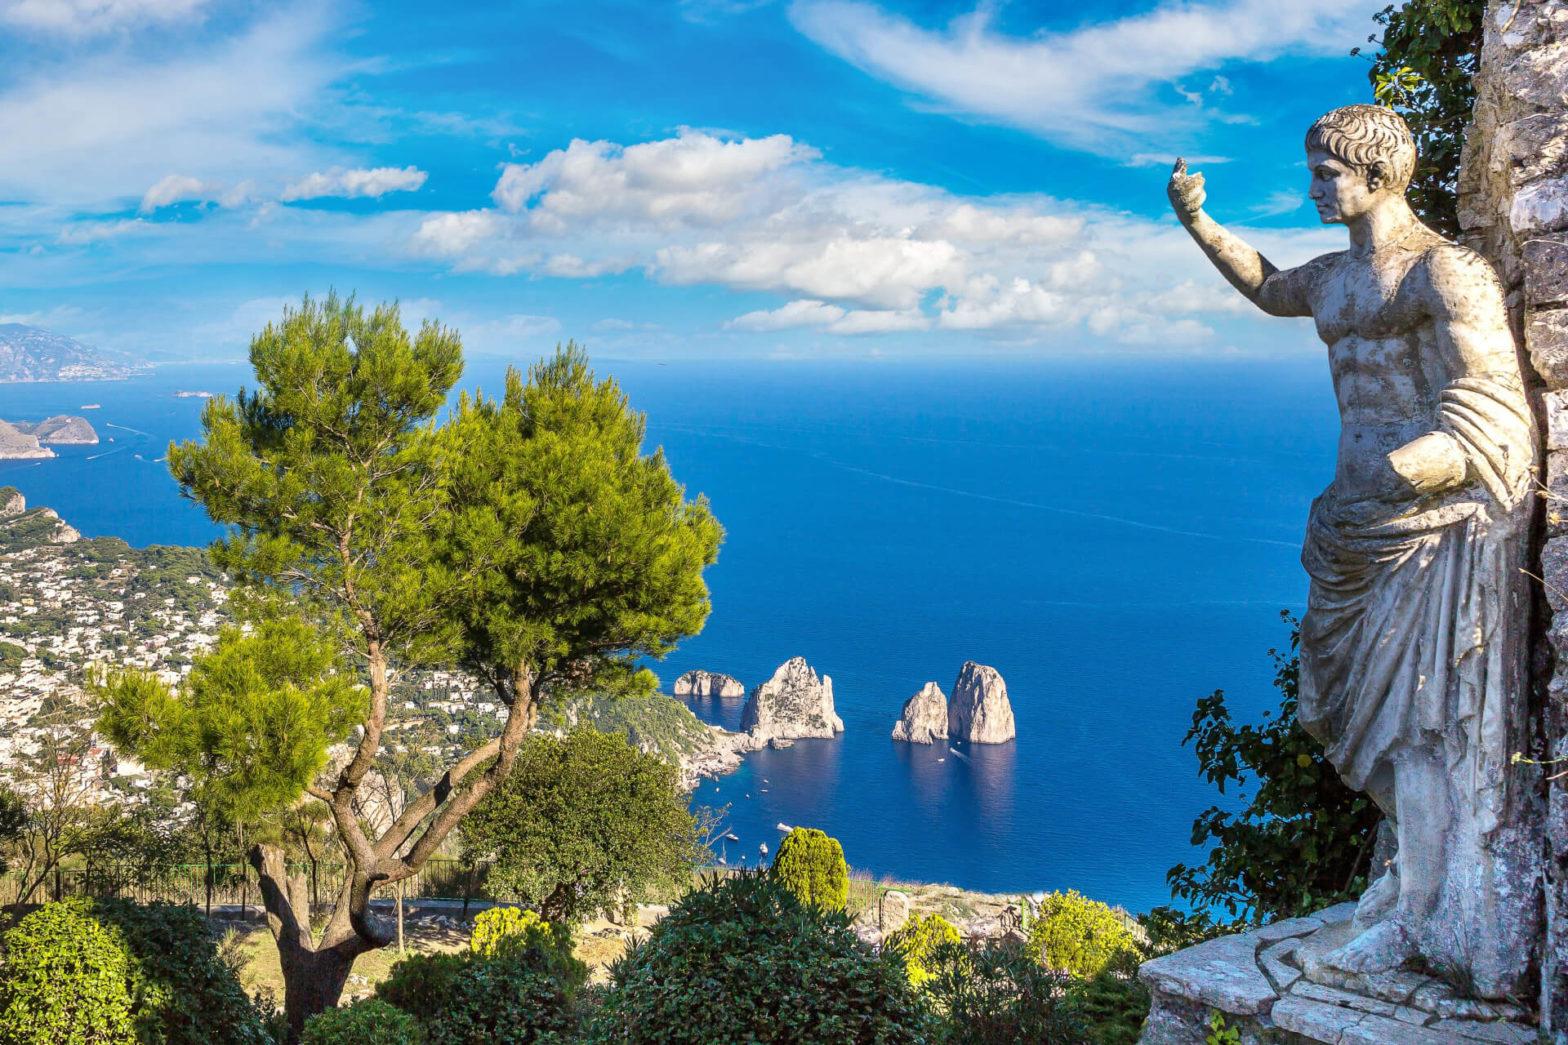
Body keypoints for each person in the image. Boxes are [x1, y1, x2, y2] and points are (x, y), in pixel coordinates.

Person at [1167, 104, 1538, 998]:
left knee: (1415, 720)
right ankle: (1410, 883)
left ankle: (1419, 915)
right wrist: (1198, 223)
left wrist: (1423, 464)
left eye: (1327, 174)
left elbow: (1496, 403)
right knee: (1355, 712)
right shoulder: (1334, 280)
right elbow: (1265, 285)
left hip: (1423, 529)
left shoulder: (1445, 274)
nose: (1312, 188)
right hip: (1351, 527)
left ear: (1379, 174)